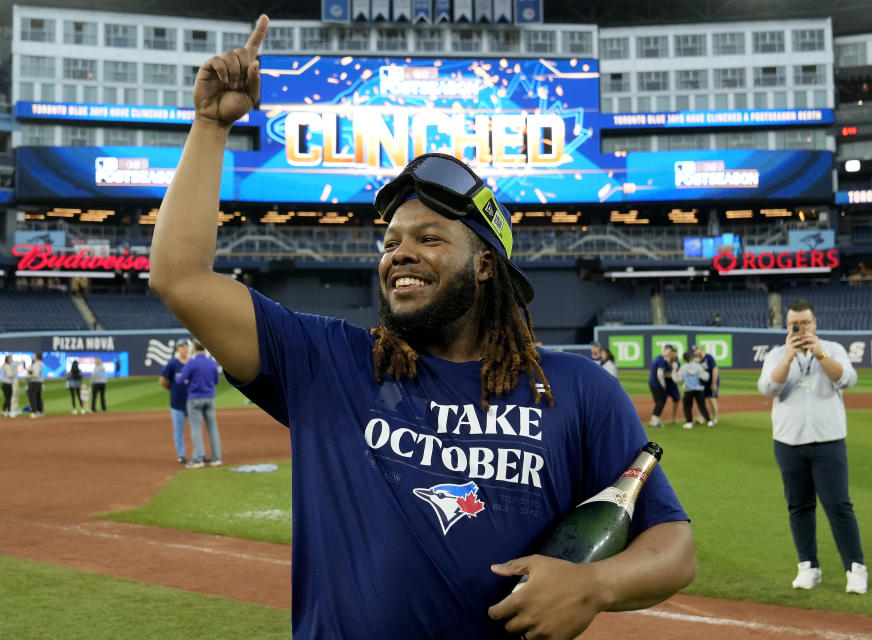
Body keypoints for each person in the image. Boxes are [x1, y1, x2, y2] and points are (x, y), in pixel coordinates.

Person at [149, 16, 695, 639]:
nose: (399, 254)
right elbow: (180, 278)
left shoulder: (577, 389)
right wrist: (211, 126)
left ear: (485, 264)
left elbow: (673, 544)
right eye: (389, 242)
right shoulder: (328, 364)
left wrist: (597, 584)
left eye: (429, 238)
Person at [757, 300, 866, 595]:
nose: (801, 328)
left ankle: (855, 567)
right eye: (795, 324)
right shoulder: (778, 354)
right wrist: (788, 359)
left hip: (828, 440)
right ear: (787, 325)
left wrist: (819, 353)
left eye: (806, 323)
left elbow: (847, 379)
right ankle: (808, 566)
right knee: (799, 506)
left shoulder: (832, 348)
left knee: (838, 505)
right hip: (789, 442)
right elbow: (768, 388)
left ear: (815, 323)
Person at [180, 341, 222, 469]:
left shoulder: (191, 363)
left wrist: (176, 378)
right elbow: (216, 381)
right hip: (209, 398)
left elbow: (181, 379)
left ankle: (198, 460)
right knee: (213, 429)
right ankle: (217, 458)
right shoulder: (212, 362)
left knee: (196, 430)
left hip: (194, 399)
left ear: (193, 348)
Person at [160, 338, 192, 463]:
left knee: (196, 429)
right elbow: (162, 380)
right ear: (178, 349)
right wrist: (172, 388)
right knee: (179, 430)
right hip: (177, 403)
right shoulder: (173, 364)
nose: (185, 349)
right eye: (182, 347)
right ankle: (181, 455)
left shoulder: (192, 363)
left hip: (191, 402)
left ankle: (199, 453)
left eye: (186, 346)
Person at [673, 351, 712, 430]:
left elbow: (677, 379)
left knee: (687, 407)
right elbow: (706, 377)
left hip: (688, 390)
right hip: (698, 389)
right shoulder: (698, 366)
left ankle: (689, 422)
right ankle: (709, 421)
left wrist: (674, 370)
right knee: (702, 406)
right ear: (691, 358)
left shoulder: (683, 367)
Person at [646, 345, 676, 427]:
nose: (670, 353)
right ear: (666, 350)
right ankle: (654, 421)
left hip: (654, 383)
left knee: (659, 401)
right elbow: (659, 373)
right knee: (660, 402)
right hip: (657, 384)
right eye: (669, 351)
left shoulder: (658, 358)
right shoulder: (661, 359)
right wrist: (663, 385)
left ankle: (656, 420)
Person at [692, 344, 719, 424]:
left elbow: (715, 370)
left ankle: (714, 418)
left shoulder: (708, 358)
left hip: (712, 380)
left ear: (700, 349)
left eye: (696, 350)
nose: (695, 352)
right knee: (700, 399)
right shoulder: (696, 360)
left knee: (712, 399)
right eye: (694, 351)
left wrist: (714, 383)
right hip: (703, 382)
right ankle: (700, 418)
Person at [27, 352, 44, 418]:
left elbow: (35, 373)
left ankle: (34, 412)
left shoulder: (37, 364)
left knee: (33, 397)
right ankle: (40, 411)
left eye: (34, 356)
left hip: (34, 382)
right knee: (38, 397)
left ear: (37, 357)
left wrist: (29, 372)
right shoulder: (40, 363)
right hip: (39, 382)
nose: (33, 357)